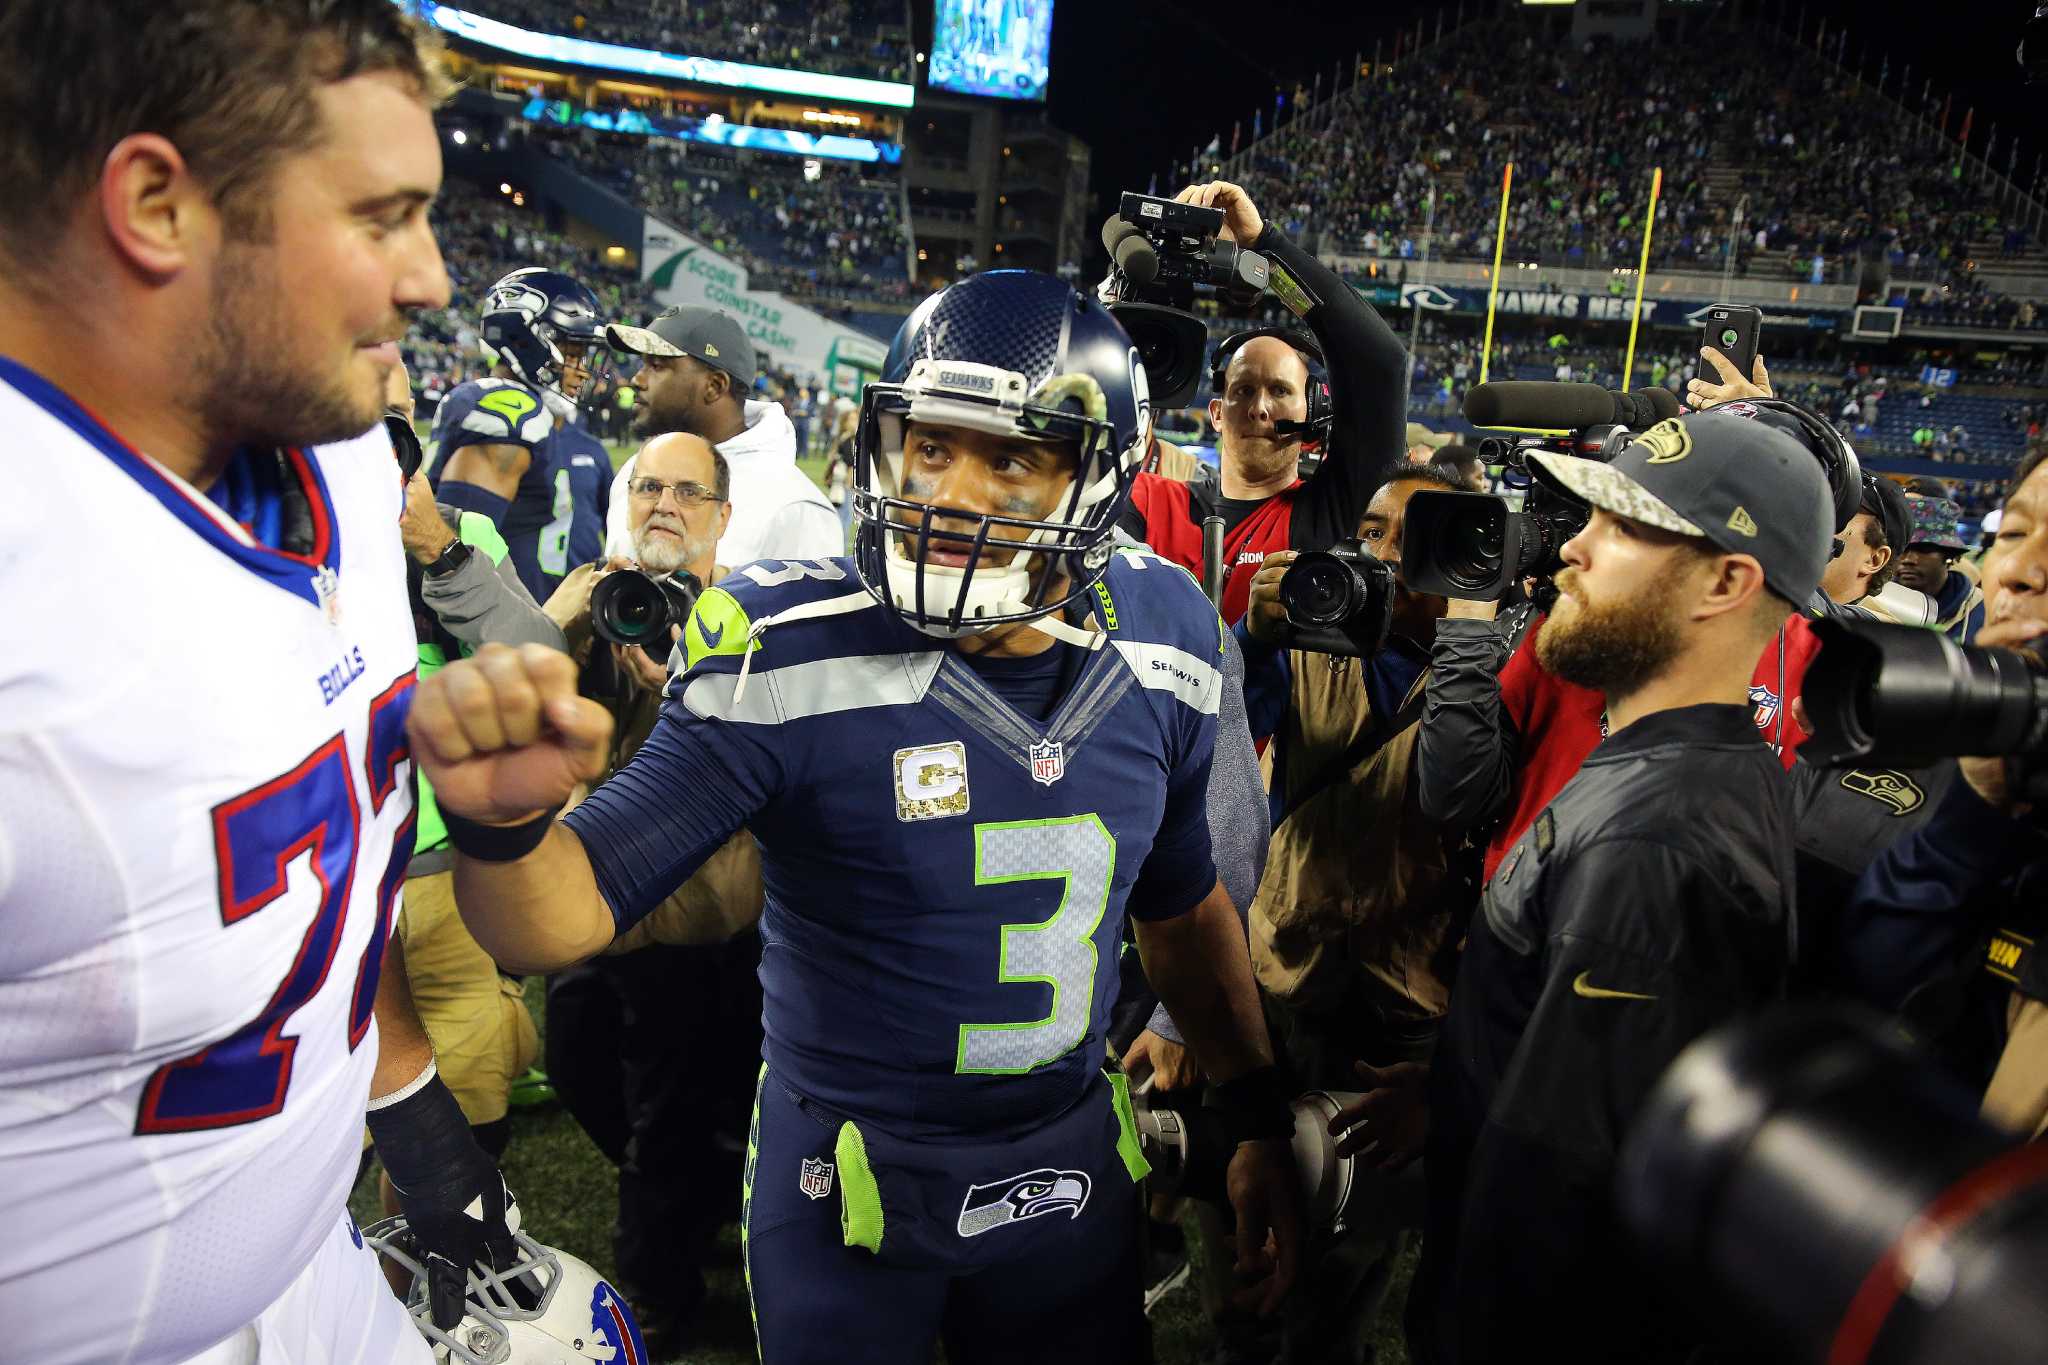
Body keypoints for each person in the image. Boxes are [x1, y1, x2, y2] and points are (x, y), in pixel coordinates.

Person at [408, 269, 1304, 1363]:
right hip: (840, 1177)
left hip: (1063, 1171)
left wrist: (1255, 1116)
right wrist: (503, 829)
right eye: (929, 446)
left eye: (1008, 457)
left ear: (1096, 481)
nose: (949, 493)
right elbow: (559, 917)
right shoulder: (785, 640)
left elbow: (1181, 908)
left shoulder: (1163, 633)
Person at [0, 5, 532, 1361]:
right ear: (159, 205)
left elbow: (312, 867)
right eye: (383, 214)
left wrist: (406, 1098)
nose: (428, 278)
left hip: (313, 1267)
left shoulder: (335, 439)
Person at [1409, 411, 1834, 1363]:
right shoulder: (1685, 766)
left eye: (1625, 525)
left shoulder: (1659, 839)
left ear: (1727, 580)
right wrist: (1465, 1077)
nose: (1572, 548)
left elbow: (1559, 1196)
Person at [1234, 466, 1472, 1363]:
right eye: (1371, 531)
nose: (1381, 555)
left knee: (1343, 1274)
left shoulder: (1493, 678)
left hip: (1398, 1022)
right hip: (1279, 986)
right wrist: (1251, 640)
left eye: (1412, 541)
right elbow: (1213, 746)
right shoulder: (1310, 636)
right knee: (1246, 1236)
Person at [1829, 448, 2048, 1136]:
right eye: (2013, 533)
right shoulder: (1973, 762)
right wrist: (1977, 812)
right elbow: (1871, 987)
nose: (2019, 569)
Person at [1119, 181, 1407, 624]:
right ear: (1216, 413)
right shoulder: (1153, 502)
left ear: (1313, 412)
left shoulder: (1331, 510)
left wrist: (1265, 249)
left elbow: (1381, 363)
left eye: (1280, 390)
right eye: (1243, 390)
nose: (1259, 408)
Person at [428, 266, 614, 603]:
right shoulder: (510, 411)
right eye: (572, 352)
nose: (582, 369)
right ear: (526, 339)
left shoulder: (538, 418)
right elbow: (455, 553)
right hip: (481, 631)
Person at [604, 305, 839, 566]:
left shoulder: (795, 507)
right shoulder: (635, 471)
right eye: (642, 364)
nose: (637, 379)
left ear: (715, 386)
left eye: (657, 365)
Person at [1893, 492, 1986, 641]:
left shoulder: (1979, 611)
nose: (1908, 559)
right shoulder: (1872, 601)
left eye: (1924, 550)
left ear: (1949, 556)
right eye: (1902, 549)